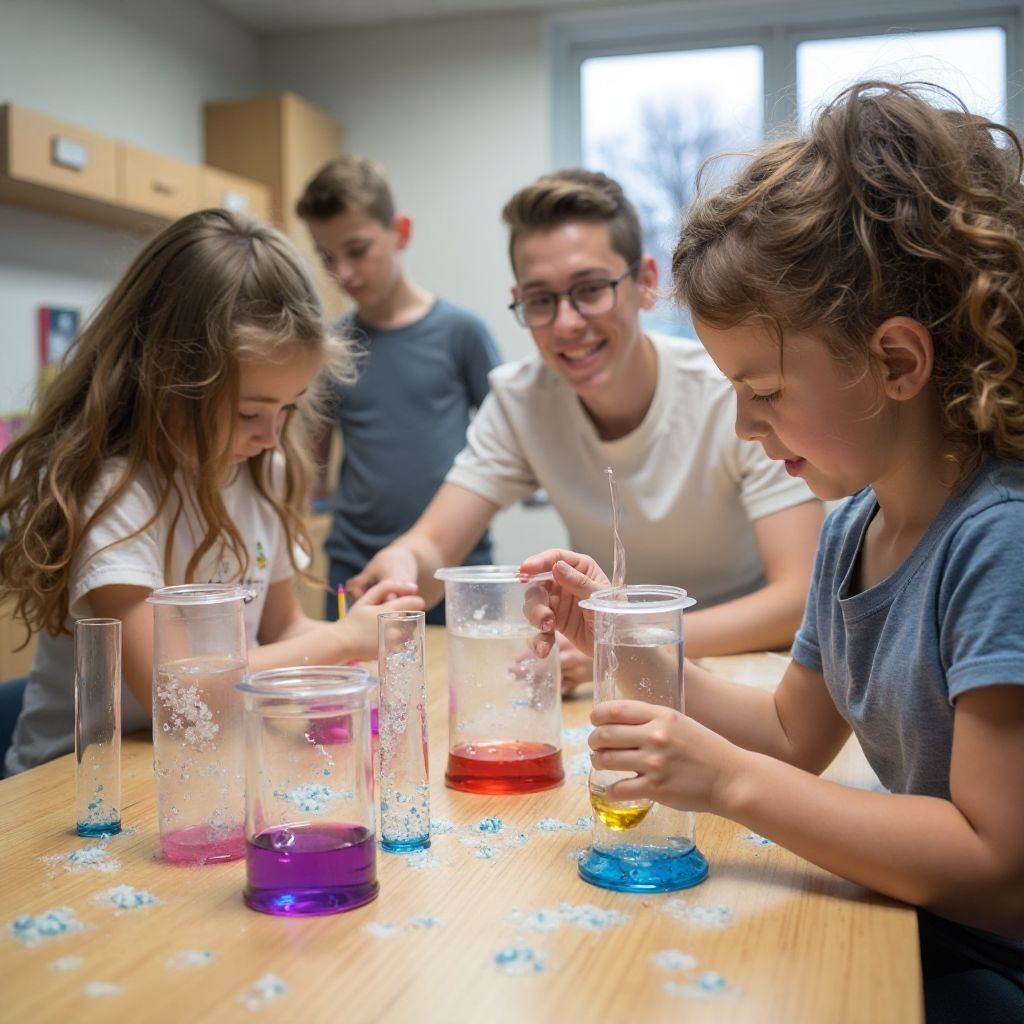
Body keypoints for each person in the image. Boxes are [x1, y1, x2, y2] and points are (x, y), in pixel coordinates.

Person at [521, 82, 1024, 1021]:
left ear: (896, 362)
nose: (745, 426)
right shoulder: (852, 528)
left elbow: (999, 870)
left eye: (764, 391)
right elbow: (795, 734)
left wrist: (729, 783)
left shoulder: (998, 540)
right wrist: (623, 638)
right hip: (921, 917)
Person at [349, 168, 824, 686]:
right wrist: (402, 563)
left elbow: (797, 595)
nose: (567, 323)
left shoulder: (729, 393)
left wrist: (626, 638)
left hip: (744, 669)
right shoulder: (520, 399)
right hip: (612, 669)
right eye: (541, 300)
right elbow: (434, 546)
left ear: (645, 282)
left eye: (591, 289)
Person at [0, 209, 423, 776]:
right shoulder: (116, 492)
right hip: (80, 780)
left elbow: (284, 629)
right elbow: (176, 699)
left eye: (288, 407)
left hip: (199, 761)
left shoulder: (261, 470)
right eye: (250, 412)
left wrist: (363, 636)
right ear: (167, 380)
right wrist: (342, 640)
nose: (272, 435)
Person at [295, 155, 502, 625]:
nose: (344, 273)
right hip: (357, 566)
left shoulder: (461, 333)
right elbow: (312, 465)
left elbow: (506, 439)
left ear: (400, 232)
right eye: (327, 258)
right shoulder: (332, 348)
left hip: (456, 565)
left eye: (357, 250)